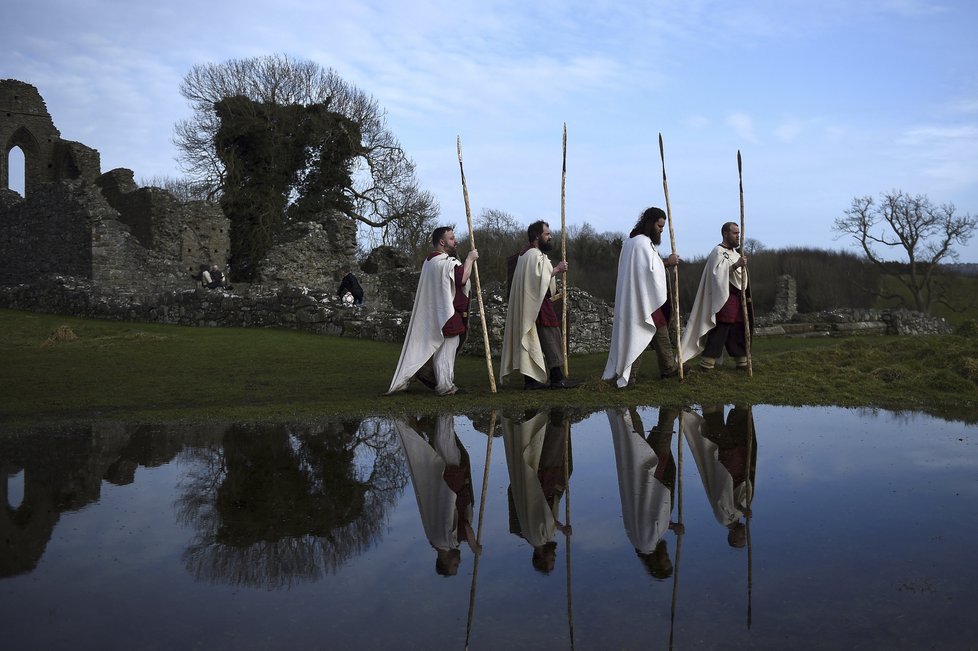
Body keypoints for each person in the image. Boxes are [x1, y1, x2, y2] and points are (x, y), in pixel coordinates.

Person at [386, 226, 478, 396]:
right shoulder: (443, 263)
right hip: (447, 314)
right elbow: (462, 278)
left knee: (443, 348)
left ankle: (431, 376)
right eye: (451, 238)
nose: (455, 240)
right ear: (442, 242)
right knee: (447, 350)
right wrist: (470, 259)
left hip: (438, 313)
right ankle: (445, 386)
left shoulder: (430, 262)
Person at [602, 207, 682, 388]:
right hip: (642, 300)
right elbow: (650, 271)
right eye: (659, 226)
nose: (662, 229)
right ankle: (630, 377)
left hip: (643, 298)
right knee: (640, 334)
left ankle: (668, 368)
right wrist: (669, 262)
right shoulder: (641, 243)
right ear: (650, 223)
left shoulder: (632, 242)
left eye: (663, 226)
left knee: (659, 331)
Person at [394, 414, 480, 576]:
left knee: (446, 445)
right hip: (446, 485)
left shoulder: (447, 541)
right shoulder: (434, 540)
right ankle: (436, 417)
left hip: (451, 485)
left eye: (455, 565)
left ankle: (444, 411)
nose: (459, 562)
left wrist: (474, 545)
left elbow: (465, 526)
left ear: (445, 561)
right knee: (446, 447)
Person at [500, 220, 579, 390]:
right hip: (538, 302)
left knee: (532, 338)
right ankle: (557, 378)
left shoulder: (525, 255)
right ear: (537, 236)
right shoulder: (533, 255)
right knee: (551, 335)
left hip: (531, 302)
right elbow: (538, 279)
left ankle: (531, 380)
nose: (550, 237)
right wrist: (557, 269)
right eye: (547, 234)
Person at [607, 406, 684, 579]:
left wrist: (671, 526)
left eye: (665, 561)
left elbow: (653, 513)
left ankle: (669, 407)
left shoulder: (646, 542)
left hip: (653, 480)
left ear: (655, 563)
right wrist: (671, 526)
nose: (667, 557)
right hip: (644, 480)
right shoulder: (641, 542)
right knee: (639, 438)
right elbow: (654, 518)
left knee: (655, 437)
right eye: (669, 560)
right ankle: (631, 406)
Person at [502, 408, 573, 574]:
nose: (554, 556)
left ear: (541, 556)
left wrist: (563, 529)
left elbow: (547, 518)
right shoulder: (530, 536)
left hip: (543, 483)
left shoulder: (539, 537)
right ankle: (537, 414)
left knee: (554, 442)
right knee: (545, 447)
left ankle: (557, 411)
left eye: (551, 559)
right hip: (544, 484)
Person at [679, 222, 751, 371]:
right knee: (721, 328)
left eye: (738, 233)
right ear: (725, 234)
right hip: (723, 298)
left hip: (737, 299)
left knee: (737, 329)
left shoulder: (737, 253)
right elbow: (718, 275)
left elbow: (741, 278)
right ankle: (707, 362)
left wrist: (740, 265)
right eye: (735, 233)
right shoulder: (717, 252)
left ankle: (742, 360)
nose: (738, 236)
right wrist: (736, 265)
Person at [681, 404, 756, 548]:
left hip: (728, 466)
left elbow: (725, 496)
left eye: (741, 537)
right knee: (730, 432)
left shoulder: (725, 518)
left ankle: (710, 404)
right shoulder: (737, 516)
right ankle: (727, 404)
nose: (744, 533)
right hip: (738, 467)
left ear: (732, 536)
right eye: (744, 537)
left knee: (717, 429)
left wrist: (742, 508)